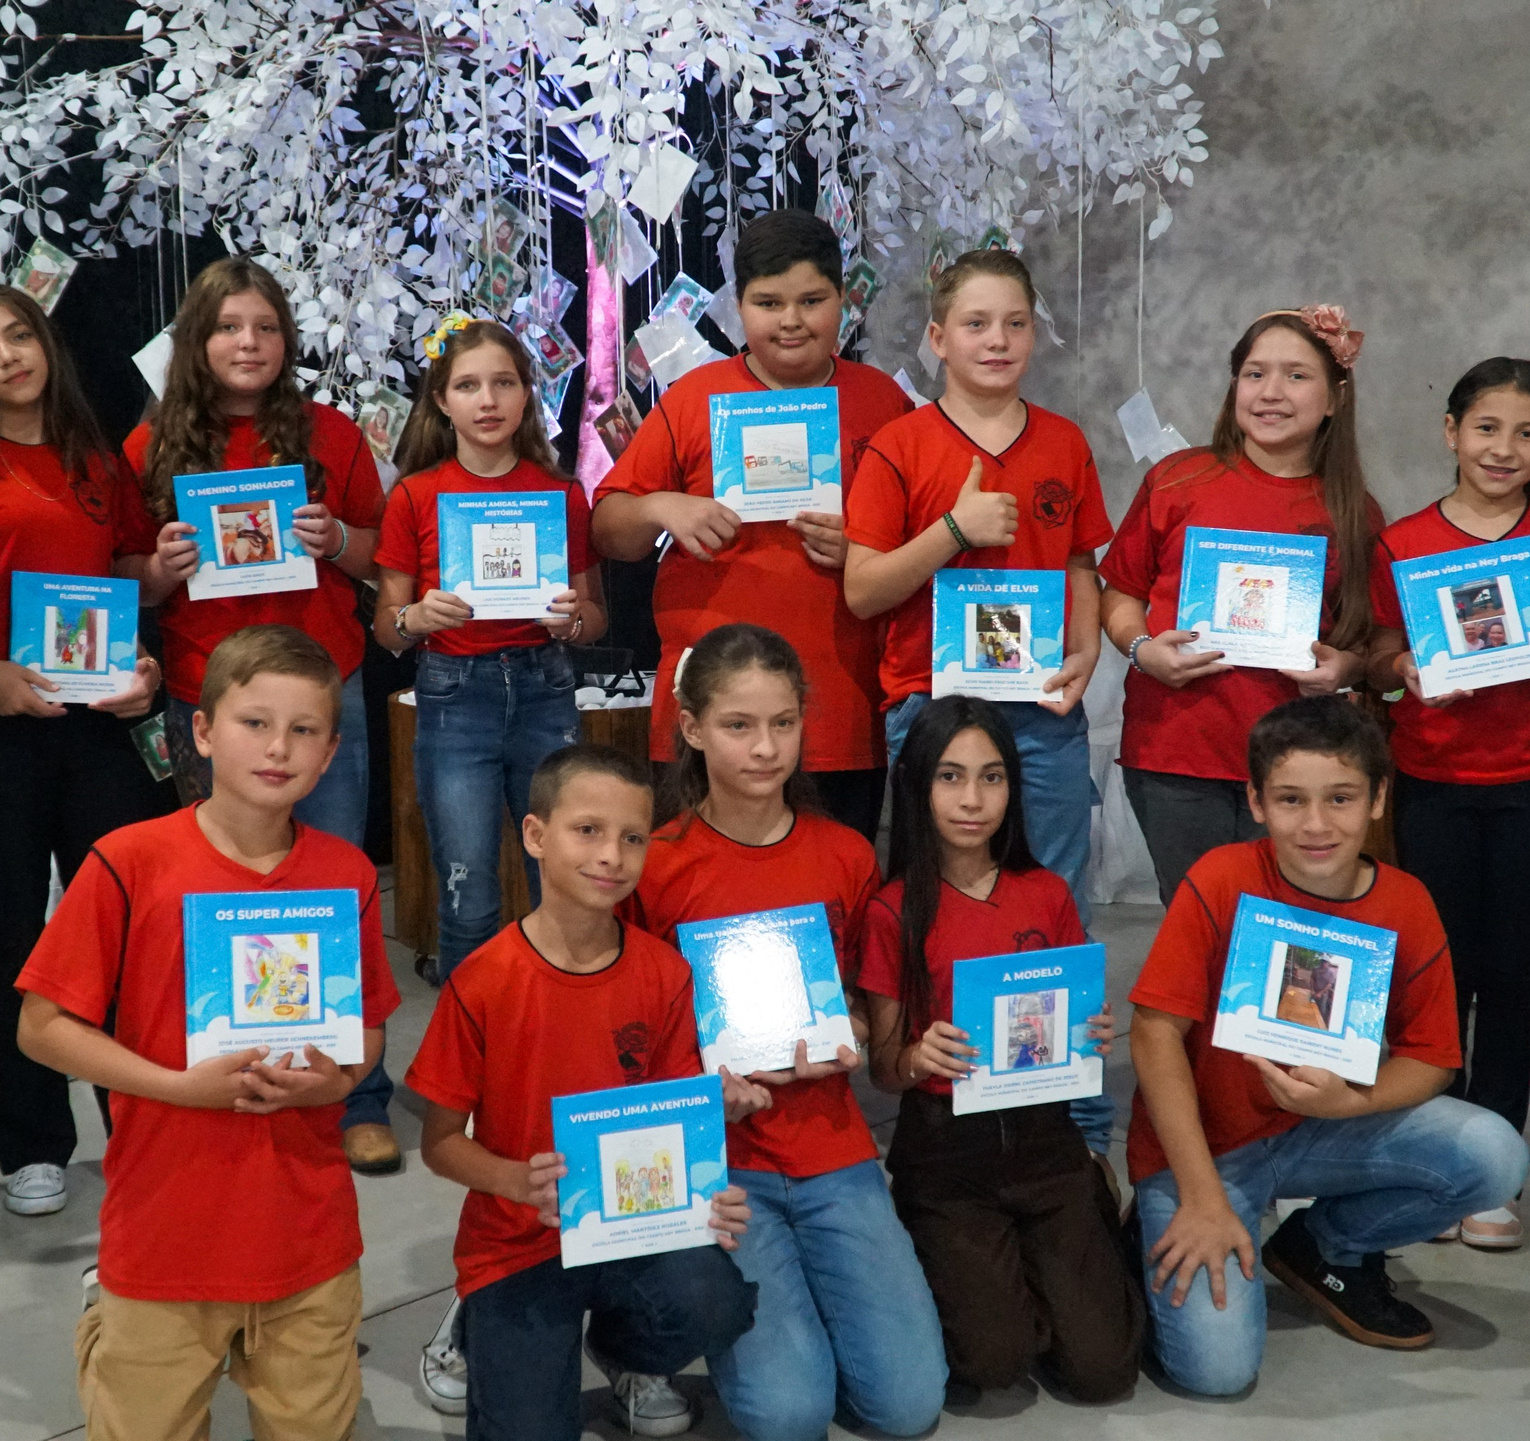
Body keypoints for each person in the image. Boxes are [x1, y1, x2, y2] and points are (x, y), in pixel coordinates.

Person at [15, 624, 398, 1439]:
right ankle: (103, 1321)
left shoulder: (348, 873)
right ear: (201, 729)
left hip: (308, 1234)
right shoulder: (128, 860)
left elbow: (364, 1034)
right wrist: (180, 1087)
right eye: (254, 722)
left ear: (332, 752)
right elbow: (42, 1027)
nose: (278, 748)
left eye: (304, 731)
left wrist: (335, 1080)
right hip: (166, 1231)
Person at [1127, 696, 1528, 1395]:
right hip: (1207, 1149)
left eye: (1340, 797)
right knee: (1217, 1372)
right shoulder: (1221, 877)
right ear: (1255, 801)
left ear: (1378, 798)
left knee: (1495, 1154)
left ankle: (1324, 1245)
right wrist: (1200, 1195)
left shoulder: (1406, 901)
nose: (1316, 824)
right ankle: (1159, 1217)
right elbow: (1155, 1031)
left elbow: (1433, 1057)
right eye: (1290, 799)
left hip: (1323, 1129)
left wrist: (1350, 1101)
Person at [620, 624, 949, 1441]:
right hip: (721, 1161)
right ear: (692, 729)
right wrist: (700, 1086)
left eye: (783, 723)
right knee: (786, 1417)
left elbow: (868, 1012)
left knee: (907, 1406)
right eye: (738, 725)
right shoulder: (655, 863)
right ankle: (633, 1330)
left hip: (833, 1148)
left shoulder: (845, 856)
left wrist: (864, 1031)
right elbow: (627, 1034)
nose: (765, 748)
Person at [115, 256, 401, 1176]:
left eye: (266, 327)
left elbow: (385, 562)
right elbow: (124, 585)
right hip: (210, 694)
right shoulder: (148, 447)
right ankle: (228, 1071)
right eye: (229, 326)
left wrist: (339, 541)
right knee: (219, 894)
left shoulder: (333, 435)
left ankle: (354, 1092)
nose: (249, 342)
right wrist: (160, 565)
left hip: (326, 691)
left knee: (333, 883)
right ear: (199, 342)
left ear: (287, 340)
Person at [841, 247, 1115, 1157]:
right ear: (936, 338)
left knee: (1051, 898)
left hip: (1039, 714)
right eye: (975, 323)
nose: (996, 340)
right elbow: (864, 588)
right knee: (934, 900)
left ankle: (1066, 1105)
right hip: (932, 713)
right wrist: (953, 530)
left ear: (1034, 333)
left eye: (1014, 323)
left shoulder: (1065, 443)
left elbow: (1080, 561)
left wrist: (1082, 655)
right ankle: (935, 1085)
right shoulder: (901, 446)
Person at [405, 745, 763, 1441]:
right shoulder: (482, 981)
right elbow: (440, 1142)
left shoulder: (663, 971)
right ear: (536, 835)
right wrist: (514, 1179)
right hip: (519, 1242)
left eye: (632, 837)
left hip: (633, 1227)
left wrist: (703, 1187)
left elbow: (670, 1120)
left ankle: (627, 1355)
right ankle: (481, 1326)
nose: (612, 855)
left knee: (715, 1299)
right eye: (588, 830)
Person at [0, 281, 171, 1219]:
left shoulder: (98, 460)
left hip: (101, 726)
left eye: (17, 336)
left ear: (45, 343)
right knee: (16, 933)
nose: (7, 358)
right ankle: (32, 1144)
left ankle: (138, 1125)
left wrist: (143, 657)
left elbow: (126, 581)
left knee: (122, 930)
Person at [1362, 358, 1530, 1249]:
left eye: (1526, 433)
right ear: (1450, 432)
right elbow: (1379, 652)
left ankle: (1493, 1166)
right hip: (1430, 778)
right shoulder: (1402, 542)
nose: (1502, 448)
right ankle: (1433, 1157)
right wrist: (1404, 671)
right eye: (1485, 428)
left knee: (1511, 973)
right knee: (1436, 971)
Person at [855, 695, 1144, 1405]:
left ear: (1014, 787)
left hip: (1047, 1143)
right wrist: (921, 1055)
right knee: (993, 1359)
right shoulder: (893, 908)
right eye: (950, 777)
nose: (972, 799)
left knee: (1104, 1368)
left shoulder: (1044, 892)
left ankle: (1083, 1222)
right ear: (917, 785)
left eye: (991, 777)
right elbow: (886, 1070)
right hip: (946, 1154)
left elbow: (1075, 1014)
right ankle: (981, 1263)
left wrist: (1089, 1031)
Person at [590, 211, 912, 838]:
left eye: (812, 300)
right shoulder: (692, 398)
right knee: (699, 898)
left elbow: (927, 541)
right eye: (768, 303)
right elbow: (607, 528)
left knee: (833, 897)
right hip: (710, 709)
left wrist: (870, 548)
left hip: (840, 709)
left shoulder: (883, 402)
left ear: (844, 303)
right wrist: (662, 507)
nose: (791, 320)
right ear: (739, 307)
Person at [1098, 306, 1382, 903]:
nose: (1271, 392)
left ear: (1334, 398)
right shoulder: (1177, 481)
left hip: (1298, 764)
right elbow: (1120, 591)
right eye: (1255, 374)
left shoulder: (1353, 510)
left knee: (1280, 935)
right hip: (1174, 750)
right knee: (1197, 923)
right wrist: (1142, 650)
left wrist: (1343, 669)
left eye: (1296, 376)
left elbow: (1368, 642)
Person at [373, 315, 605, 985]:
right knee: (468, 890)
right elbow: (386, 629)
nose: (488, 400)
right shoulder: (415, 495)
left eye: (504, 382)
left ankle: (554, 1032)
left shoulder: (562, 493)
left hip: (545, 686)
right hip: (452, 697)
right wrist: (416, 615)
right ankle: (470, 1063)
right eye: (468, 385)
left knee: (560, 877)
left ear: (526, 393)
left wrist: (571, 621)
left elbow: (594, 616)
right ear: (441, 399)